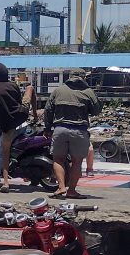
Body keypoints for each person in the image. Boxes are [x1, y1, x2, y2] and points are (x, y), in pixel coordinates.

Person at [43, 68, 101, 200]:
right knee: (76, 162)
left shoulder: (58, 91)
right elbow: (96, 110)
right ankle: (72, 190)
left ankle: (61, 186)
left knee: (58, 159)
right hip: (79, 131)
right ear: (83, 78)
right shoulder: (88, 92)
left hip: (60, 129)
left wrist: (47, 128)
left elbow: (48, 110)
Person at [0, 63, 26, 192]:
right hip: (23, 119)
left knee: (0, 151)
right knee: (31, 89)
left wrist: (2, 122)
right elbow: (19, 101)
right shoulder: (13, 86)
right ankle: (35, 116)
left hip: (9, 126)